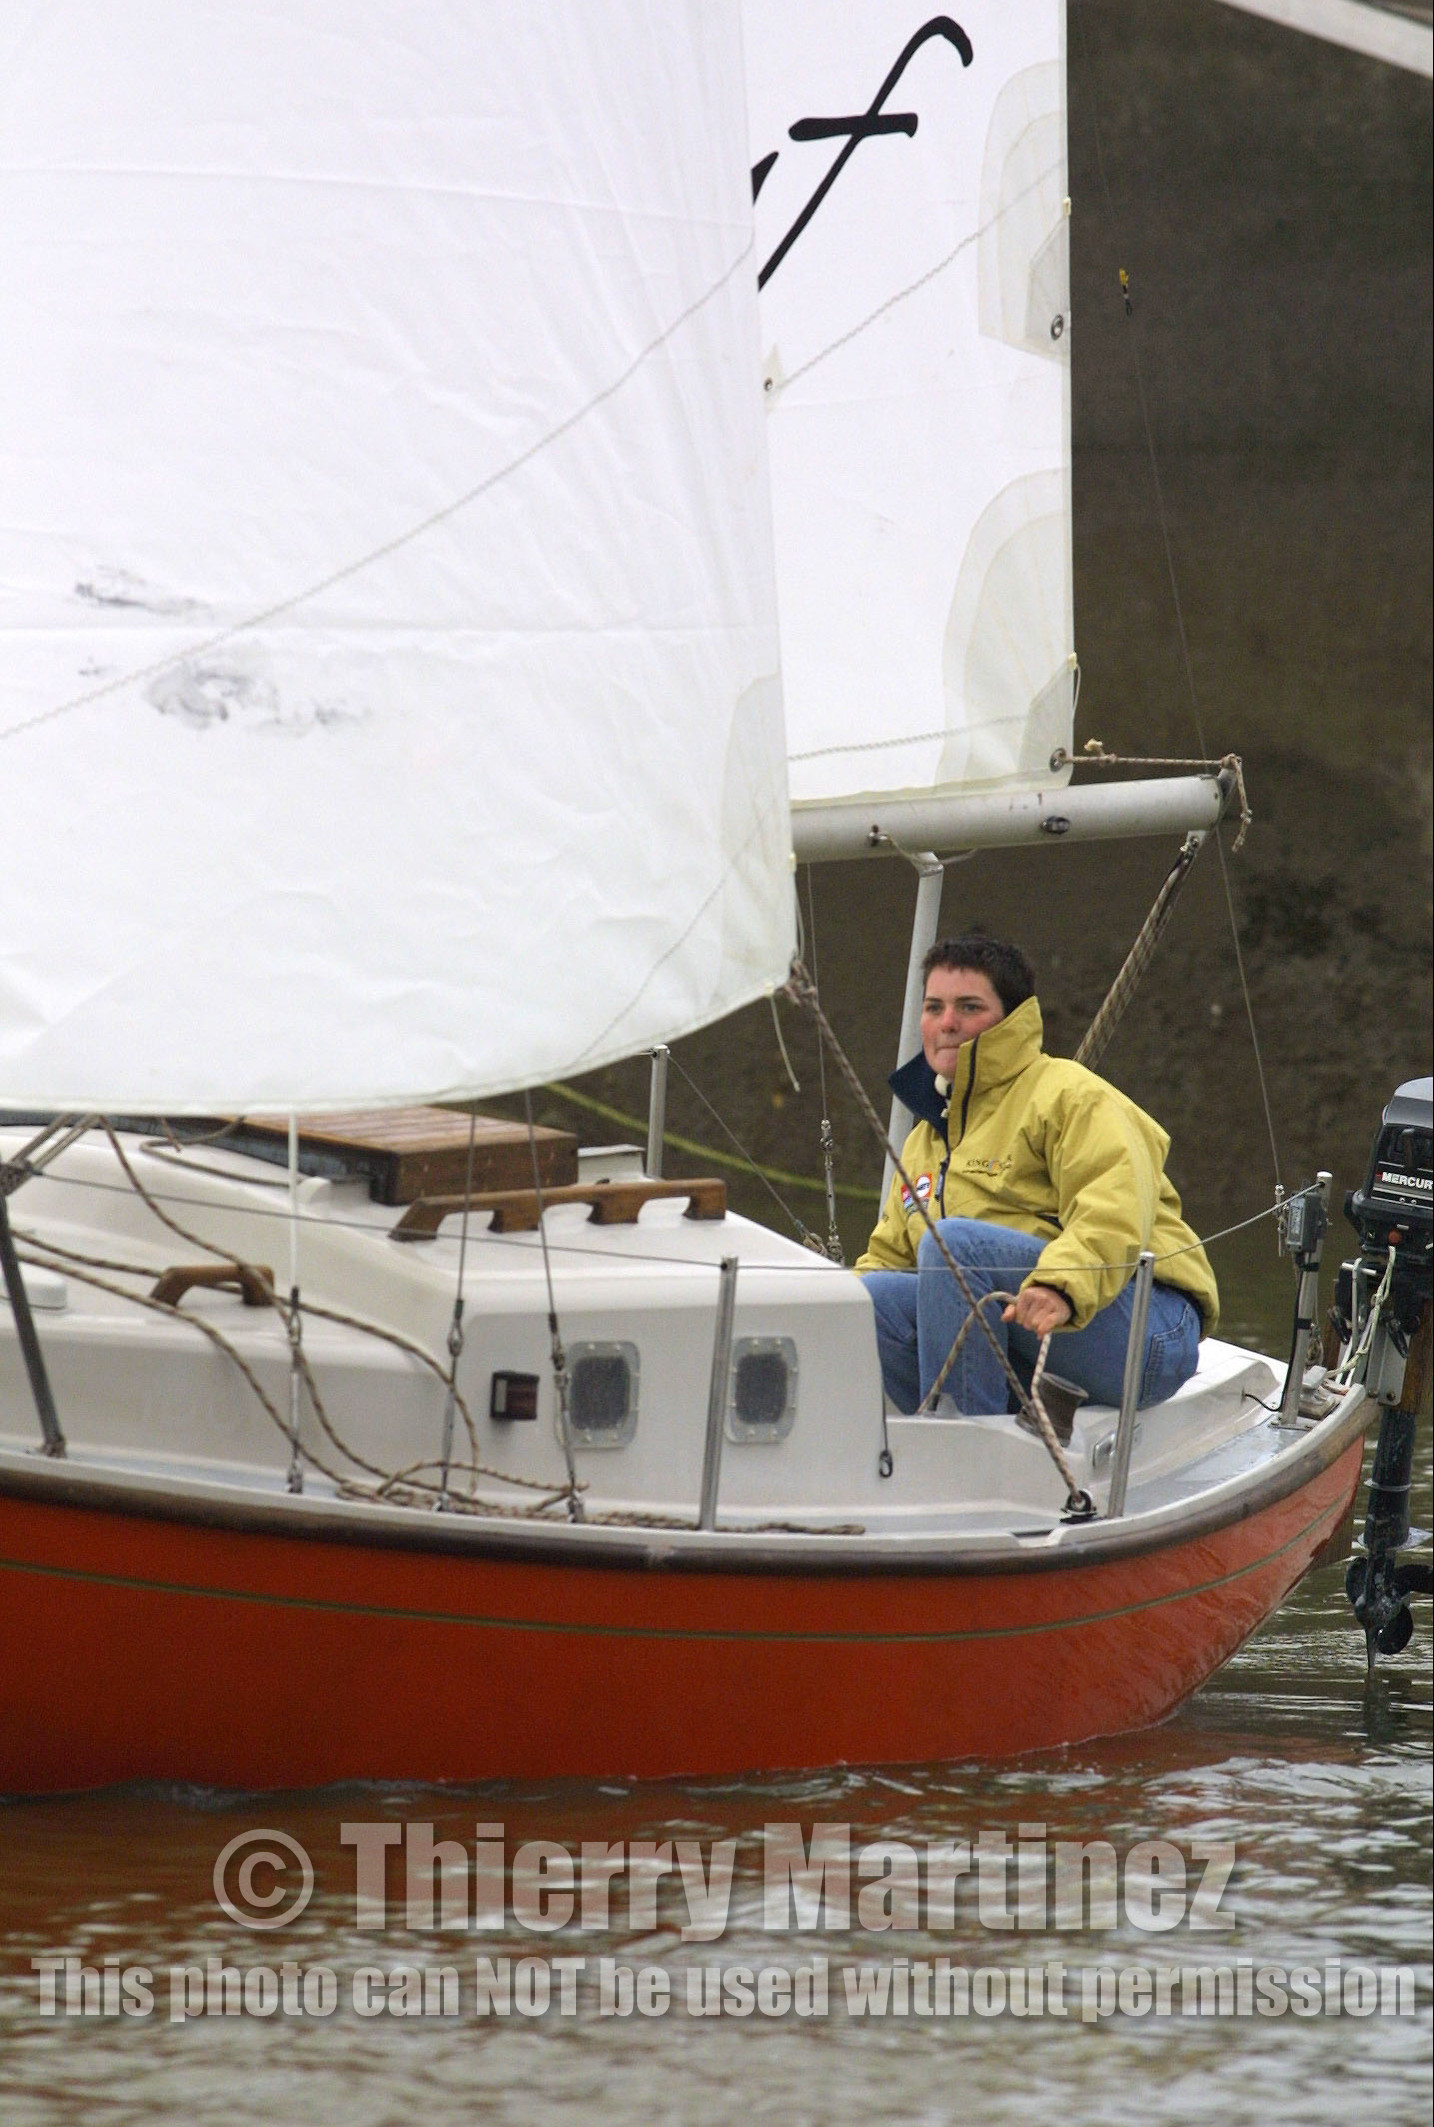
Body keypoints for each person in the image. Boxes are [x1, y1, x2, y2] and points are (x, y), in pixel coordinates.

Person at [856, 934, 1218, 1416]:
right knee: (868, 1300)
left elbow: (1114, 1209)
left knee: (953, 1246)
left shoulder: (1070, 1095)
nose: (946, 1023)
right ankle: (974, 1428)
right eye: (933, 1006)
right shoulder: (926, 1139)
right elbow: (888, 1257)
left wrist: (1061, 1284)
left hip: (1146, 1329)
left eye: (968, 1007)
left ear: (1012, 1020)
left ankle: (973, 1453)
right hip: (1026, 1335)